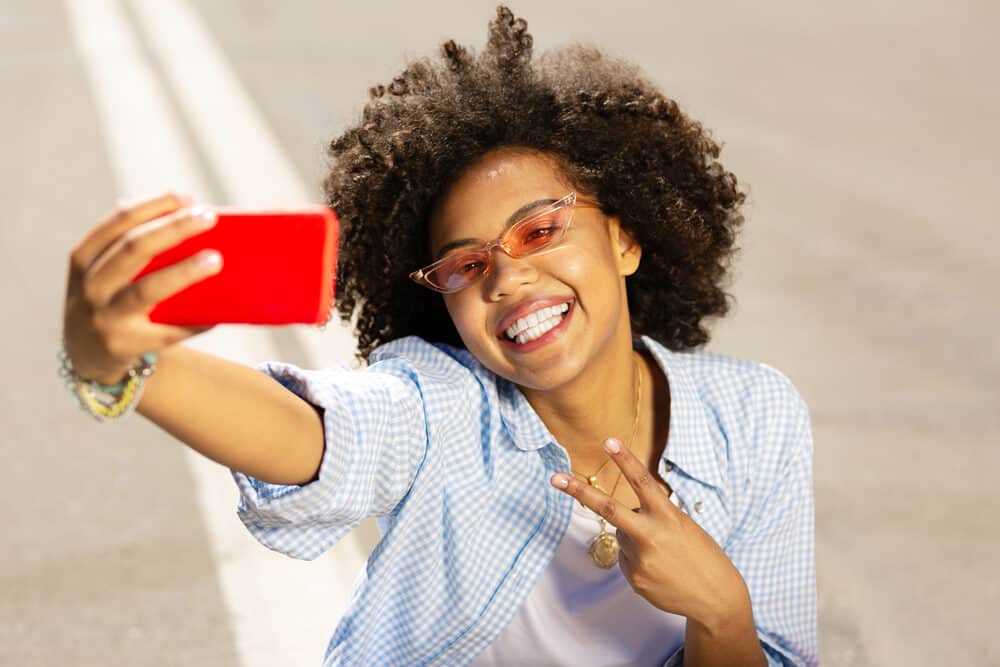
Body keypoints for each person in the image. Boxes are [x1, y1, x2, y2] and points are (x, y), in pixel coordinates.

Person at [60, 6, 817, 666]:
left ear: (626, 237)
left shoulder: (753, 419)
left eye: (542, 229)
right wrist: (128, 362)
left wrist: (721, 610)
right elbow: (316, 433)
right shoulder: (444, 403)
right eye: (466, 263)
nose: (507, 277)